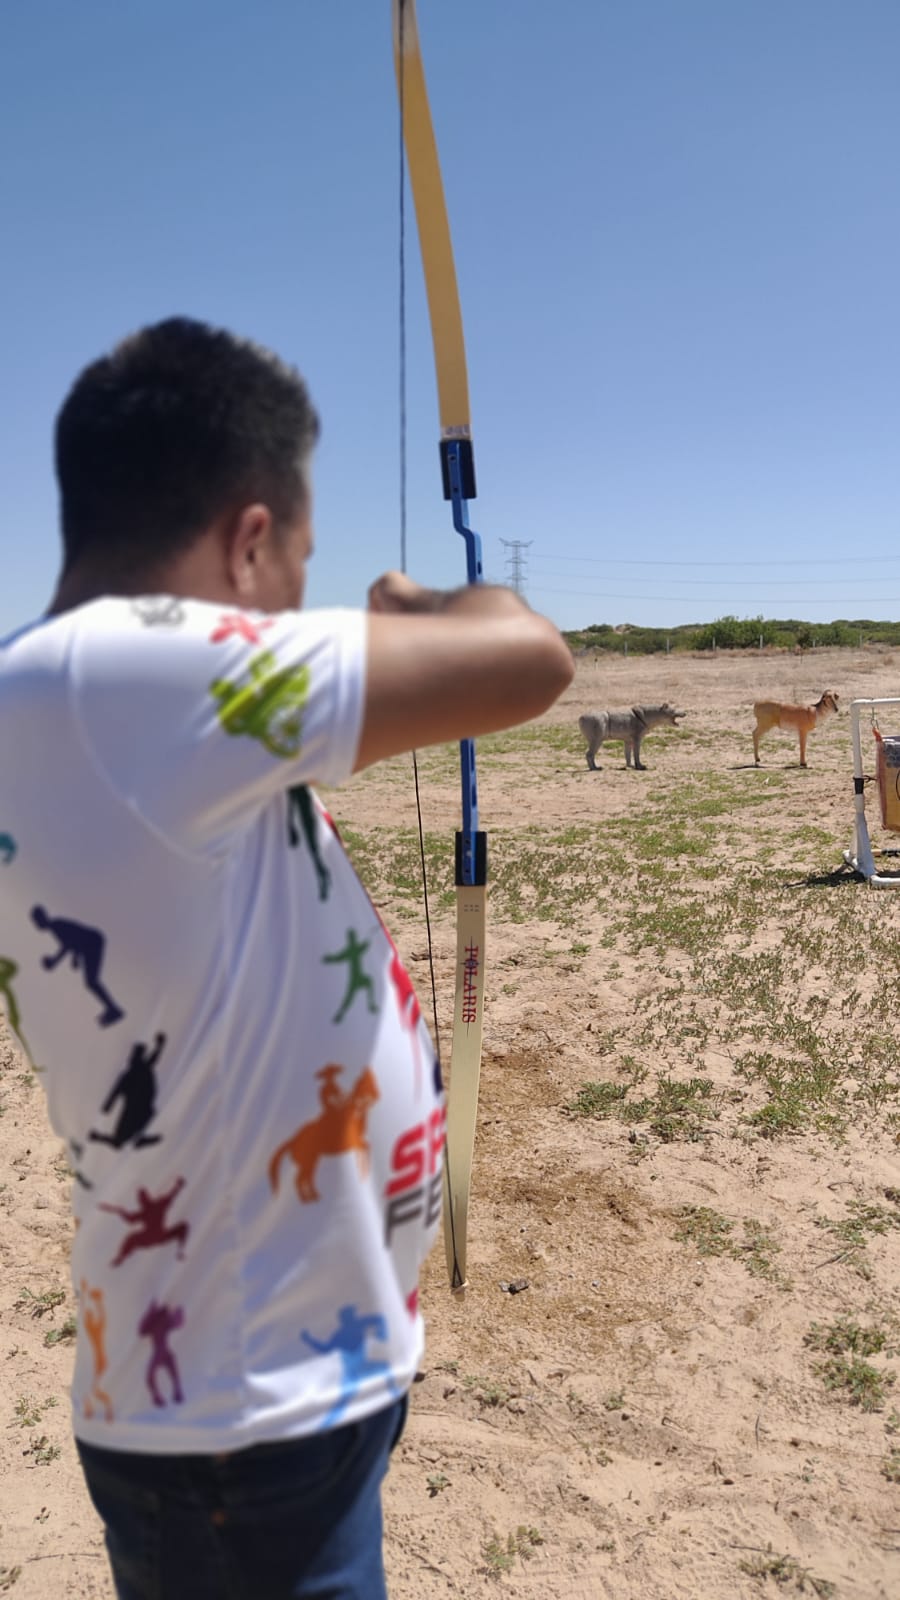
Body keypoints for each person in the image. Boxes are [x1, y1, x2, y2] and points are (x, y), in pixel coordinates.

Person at [0, 317, 573, 1599]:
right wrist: (417, 604)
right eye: (296, 563)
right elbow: (529, 654)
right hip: (246, 1430)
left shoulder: (82, 706)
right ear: (249, 541)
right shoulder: (132, 676)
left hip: (251, 1400)